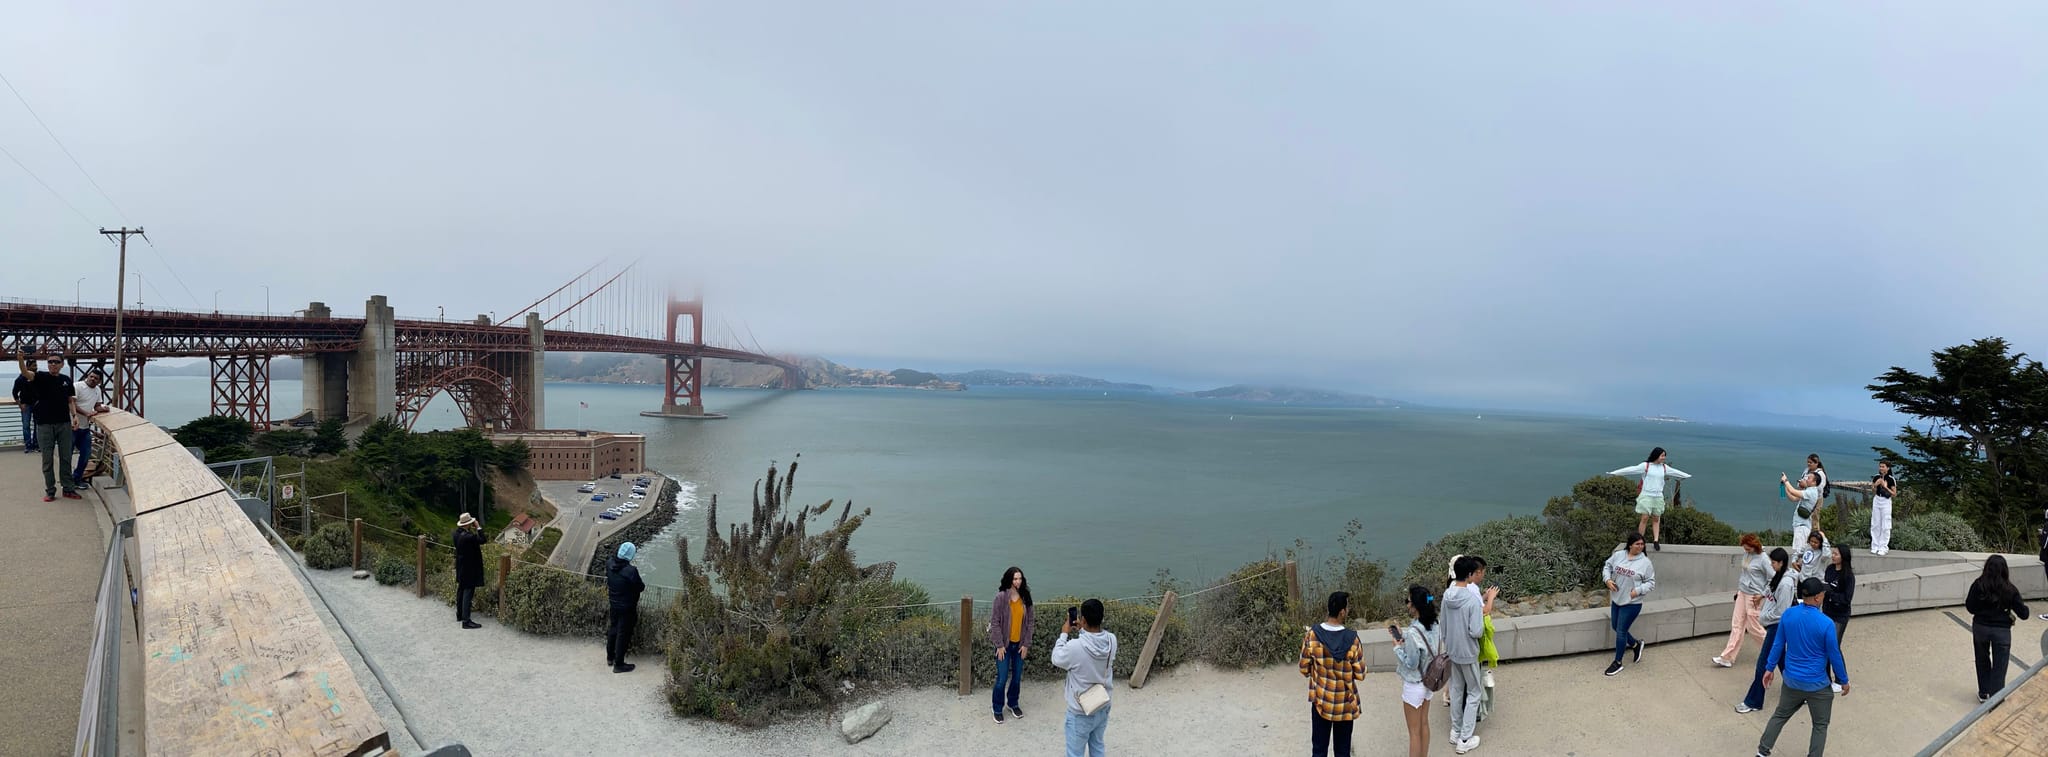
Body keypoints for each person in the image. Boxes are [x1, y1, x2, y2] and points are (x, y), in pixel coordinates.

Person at [1755, 577, 1852, 757]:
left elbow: (1778, 644)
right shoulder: (1826, 623)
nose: (1824, 595)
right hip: (1817, 685)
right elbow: (1834, 655)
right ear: (1817, 598)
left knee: (1780, 716)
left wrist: (1769, 668)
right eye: (1823, 593)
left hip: (1791, 681)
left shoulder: (1788, 615)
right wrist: (1843, 680)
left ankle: (1762, 751)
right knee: (1820, 725)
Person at [1301, 591, 1363, 757]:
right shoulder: (1353, 639)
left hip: (1321, 701)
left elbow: (1303, 668)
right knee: (1343, 751)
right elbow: (1361, 672)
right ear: (1342, 612)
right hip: (1345, 703)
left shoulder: (1312, 635)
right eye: (1347, 608)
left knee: (1319, 750)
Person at [1052, 597, 1117, 757]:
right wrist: (1083, 629)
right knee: (1097, 747)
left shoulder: (1075, 646)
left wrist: (1064, 634)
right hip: (1102, 703)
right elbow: (1093, 640)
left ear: (1083, 619)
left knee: (1075, 753)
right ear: (1101, 618)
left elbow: (1056, 658)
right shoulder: (1111, 640)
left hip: (1080, 711)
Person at [1739, 548, 1797, 714]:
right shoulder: (1778, 577)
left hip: (1776, 627)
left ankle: (1754, 701)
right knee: (1783, 662)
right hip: (1773, 625)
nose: (1771, 564)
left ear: (1781, 563)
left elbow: (1782, 611)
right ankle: (1801, 691)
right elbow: (1770, 587)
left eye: (1773, 562)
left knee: (1763, 664)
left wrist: (1765, 617)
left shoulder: (1786, 584)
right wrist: (1762, 595)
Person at [1442, 555, 1491, 754]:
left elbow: (1443, 625)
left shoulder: (1447, 595)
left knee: (1456, 689)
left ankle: (1455, 730)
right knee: (1474, 692)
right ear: (1470, 575)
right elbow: (1476, 631)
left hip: (1452, 650)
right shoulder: (1471, 599)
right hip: (1468, 652)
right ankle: (1465, 737)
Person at [1967, 554, 2031, 703]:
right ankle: (1995, 699)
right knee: (1999, 665)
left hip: (1981, 628)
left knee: (1982, 659)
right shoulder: (2010, 589)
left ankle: (1984, 692)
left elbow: (1970, 607)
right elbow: (2024, 614)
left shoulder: (1978, 584)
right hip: (2001, 632)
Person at [18, 351, 77, 502]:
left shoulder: (66, 380)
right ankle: (50, 491)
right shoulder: (40, 377)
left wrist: (75, 416)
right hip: (44, 424)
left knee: (66, 458)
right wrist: (20, 359)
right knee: (47, 460)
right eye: (50, 361)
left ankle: (68, 489)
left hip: (64, 423)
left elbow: (70, 400)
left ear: (62, 364)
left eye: (56, 361)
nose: (53, 364)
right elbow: (25, 372)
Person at [1607, 447, 1692, 552]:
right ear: (1656, 455)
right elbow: (1630, 469)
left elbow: (1675, 472)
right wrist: (1615, 473)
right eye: (1662, 455)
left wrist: (1686, 476)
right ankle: (1640, 540)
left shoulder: (1664, 467)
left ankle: (1656, 541)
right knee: (1645, 518)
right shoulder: (1646, 466)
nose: (1664, 458)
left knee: (1656, 518)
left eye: (1664, 456)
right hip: (1646, 495)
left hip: (1658, 496)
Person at [1391, 585, 1441, 757]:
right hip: (1429, 680)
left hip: (1414, 684)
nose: (1407, 605)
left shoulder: (1413, 632)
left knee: (1413, 732)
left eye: (1408, 601)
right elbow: (1426, 645)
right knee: (1424, 725)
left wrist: (1397, 648)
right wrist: (1403, 635)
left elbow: (1411, 663)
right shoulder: (1435, 624)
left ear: (1415, 606)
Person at [1602, 532, 1657, 676]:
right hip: (1616, 599)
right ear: (1630, 544)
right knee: (1615, 626)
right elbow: (1607, 566)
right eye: (1637, 544)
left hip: (1632, 603)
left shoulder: (1645, 563)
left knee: (1621, 631)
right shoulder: (1619, 555)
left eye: (1642, 544)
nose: (1640, 546)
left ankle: (1618, 663)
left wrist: (1637, 591)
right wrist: (1607, 580)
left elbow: (1651, 583)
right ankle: (1636, 644)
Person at [1713, 533, 1771, 667]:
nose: (1746, 551)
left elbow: (1772, 578)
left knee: (1753, 627)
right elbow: (1744, 574)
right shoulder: (1747, 555)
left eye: (1748, 549)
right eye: (1745, 549)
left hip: (1754, 596)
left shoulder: (1763, 559)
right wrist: (1739, 590)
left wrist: (1762, 594)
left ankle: (1773, 650)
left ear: (1754, 546)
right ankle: (1727, 657)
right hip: (1743, 592)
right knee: (1737, 624)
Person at [988, 566, 1035, 724]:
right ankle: (997, 708)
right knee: (1001, 679)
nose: (1018, 581)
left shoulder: (1025, 598)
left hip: (1019, 645)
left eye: (1020, 578)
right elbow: (994, 622)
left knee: (1016, 678)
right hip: (1004, 646)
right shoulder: (1001, 597)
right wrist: (999, 645)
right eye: (1015, 578)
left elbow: (1030, 623)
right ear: (1009, 579)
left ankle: (1013, 703)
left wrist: (1026, 644)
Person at [605, 541, 645, 673]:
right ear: (630, 555)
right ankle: (619, 664)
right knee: (623, 633)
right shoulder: (631, 571)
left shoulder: (609, 563)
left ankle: (610, 657)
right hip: (627, 606)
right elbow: (640, 587)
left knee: (613, 628)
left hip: (613, 602)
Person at [67, 370, 109, 489]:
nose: (92, 379)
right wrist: (87, 413)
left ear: (99, 381)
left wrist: (103, 409)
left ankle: (77, 478)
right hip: (71, 426)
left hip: (85, 427)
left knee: (86, 454)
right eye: (91, 376)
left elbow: (96, 406)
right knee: (67, 455)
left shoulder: (97, 390)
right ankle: (67, 481)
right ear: (87, 376)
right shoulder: (77, 386)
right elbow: (72, 403)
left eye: (96, 378)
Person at [452, 513, 485, 629]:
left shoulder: (456, 534)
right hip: (470, 567)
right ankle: (466, 621)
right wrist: (478, 527)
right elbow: (483, 540)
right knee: (468, 592)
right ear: (469, 524)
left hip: (461, 565)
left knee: (461, 590)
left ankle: (460, 614)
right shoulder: (469, 537)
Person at [1781, 471, 1822, 549]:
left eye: (1809, 478)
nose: (1806, 479)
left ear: (1814, 482)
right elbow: (1793, 498)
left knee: (1798, 551)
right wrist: (1785, 486)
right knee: (1798, 550)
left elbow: (1793, 491)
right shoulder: (1808, 491)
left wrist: (1786, 480)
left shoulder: (1811, 492)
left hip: (1802, 527)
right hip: (1800, 526)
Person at [1822, 544, 1854, 643]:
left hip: (1840, 614)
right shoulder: (1830, 569)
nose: (1833, 556)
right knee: (1825, 642)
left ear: (1843, 556)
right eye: (1833, 553)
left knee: (1834, 644)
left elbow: (1847, 598)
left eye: (1836, 554)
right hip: (1827, 610)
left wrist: (1831, 595)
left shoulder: (1848, 576)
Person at [1870, 461, 1897, 555]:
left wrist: (1885, 487)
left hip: (1886, 501)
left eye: (1883, 466)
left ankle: (1883, 547)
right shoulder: (1876, 477)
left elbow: (1894, 494)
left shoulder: (1891, 479)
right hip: (1877, 500)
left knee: (1885, 525)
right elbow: (1873, 489)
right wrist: (1875, 485)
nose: (1881, 468)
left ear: (1888, 468)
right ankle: (1875, 545)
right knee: (1875, 524)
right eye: (1880, 466)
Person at [12, 363, 35, 454]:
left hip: (36, 405)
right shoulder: (20, 379)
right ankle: (28, 445)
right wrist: (20, 405)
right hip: (26, 405)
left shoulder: (36, 378)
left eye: (36, 365)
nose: (35, 368)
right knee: (26, 426)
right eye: (33, 366)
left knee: (38, 425)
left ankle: (36, 445)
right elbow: (14, 393)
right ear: (27, 367)